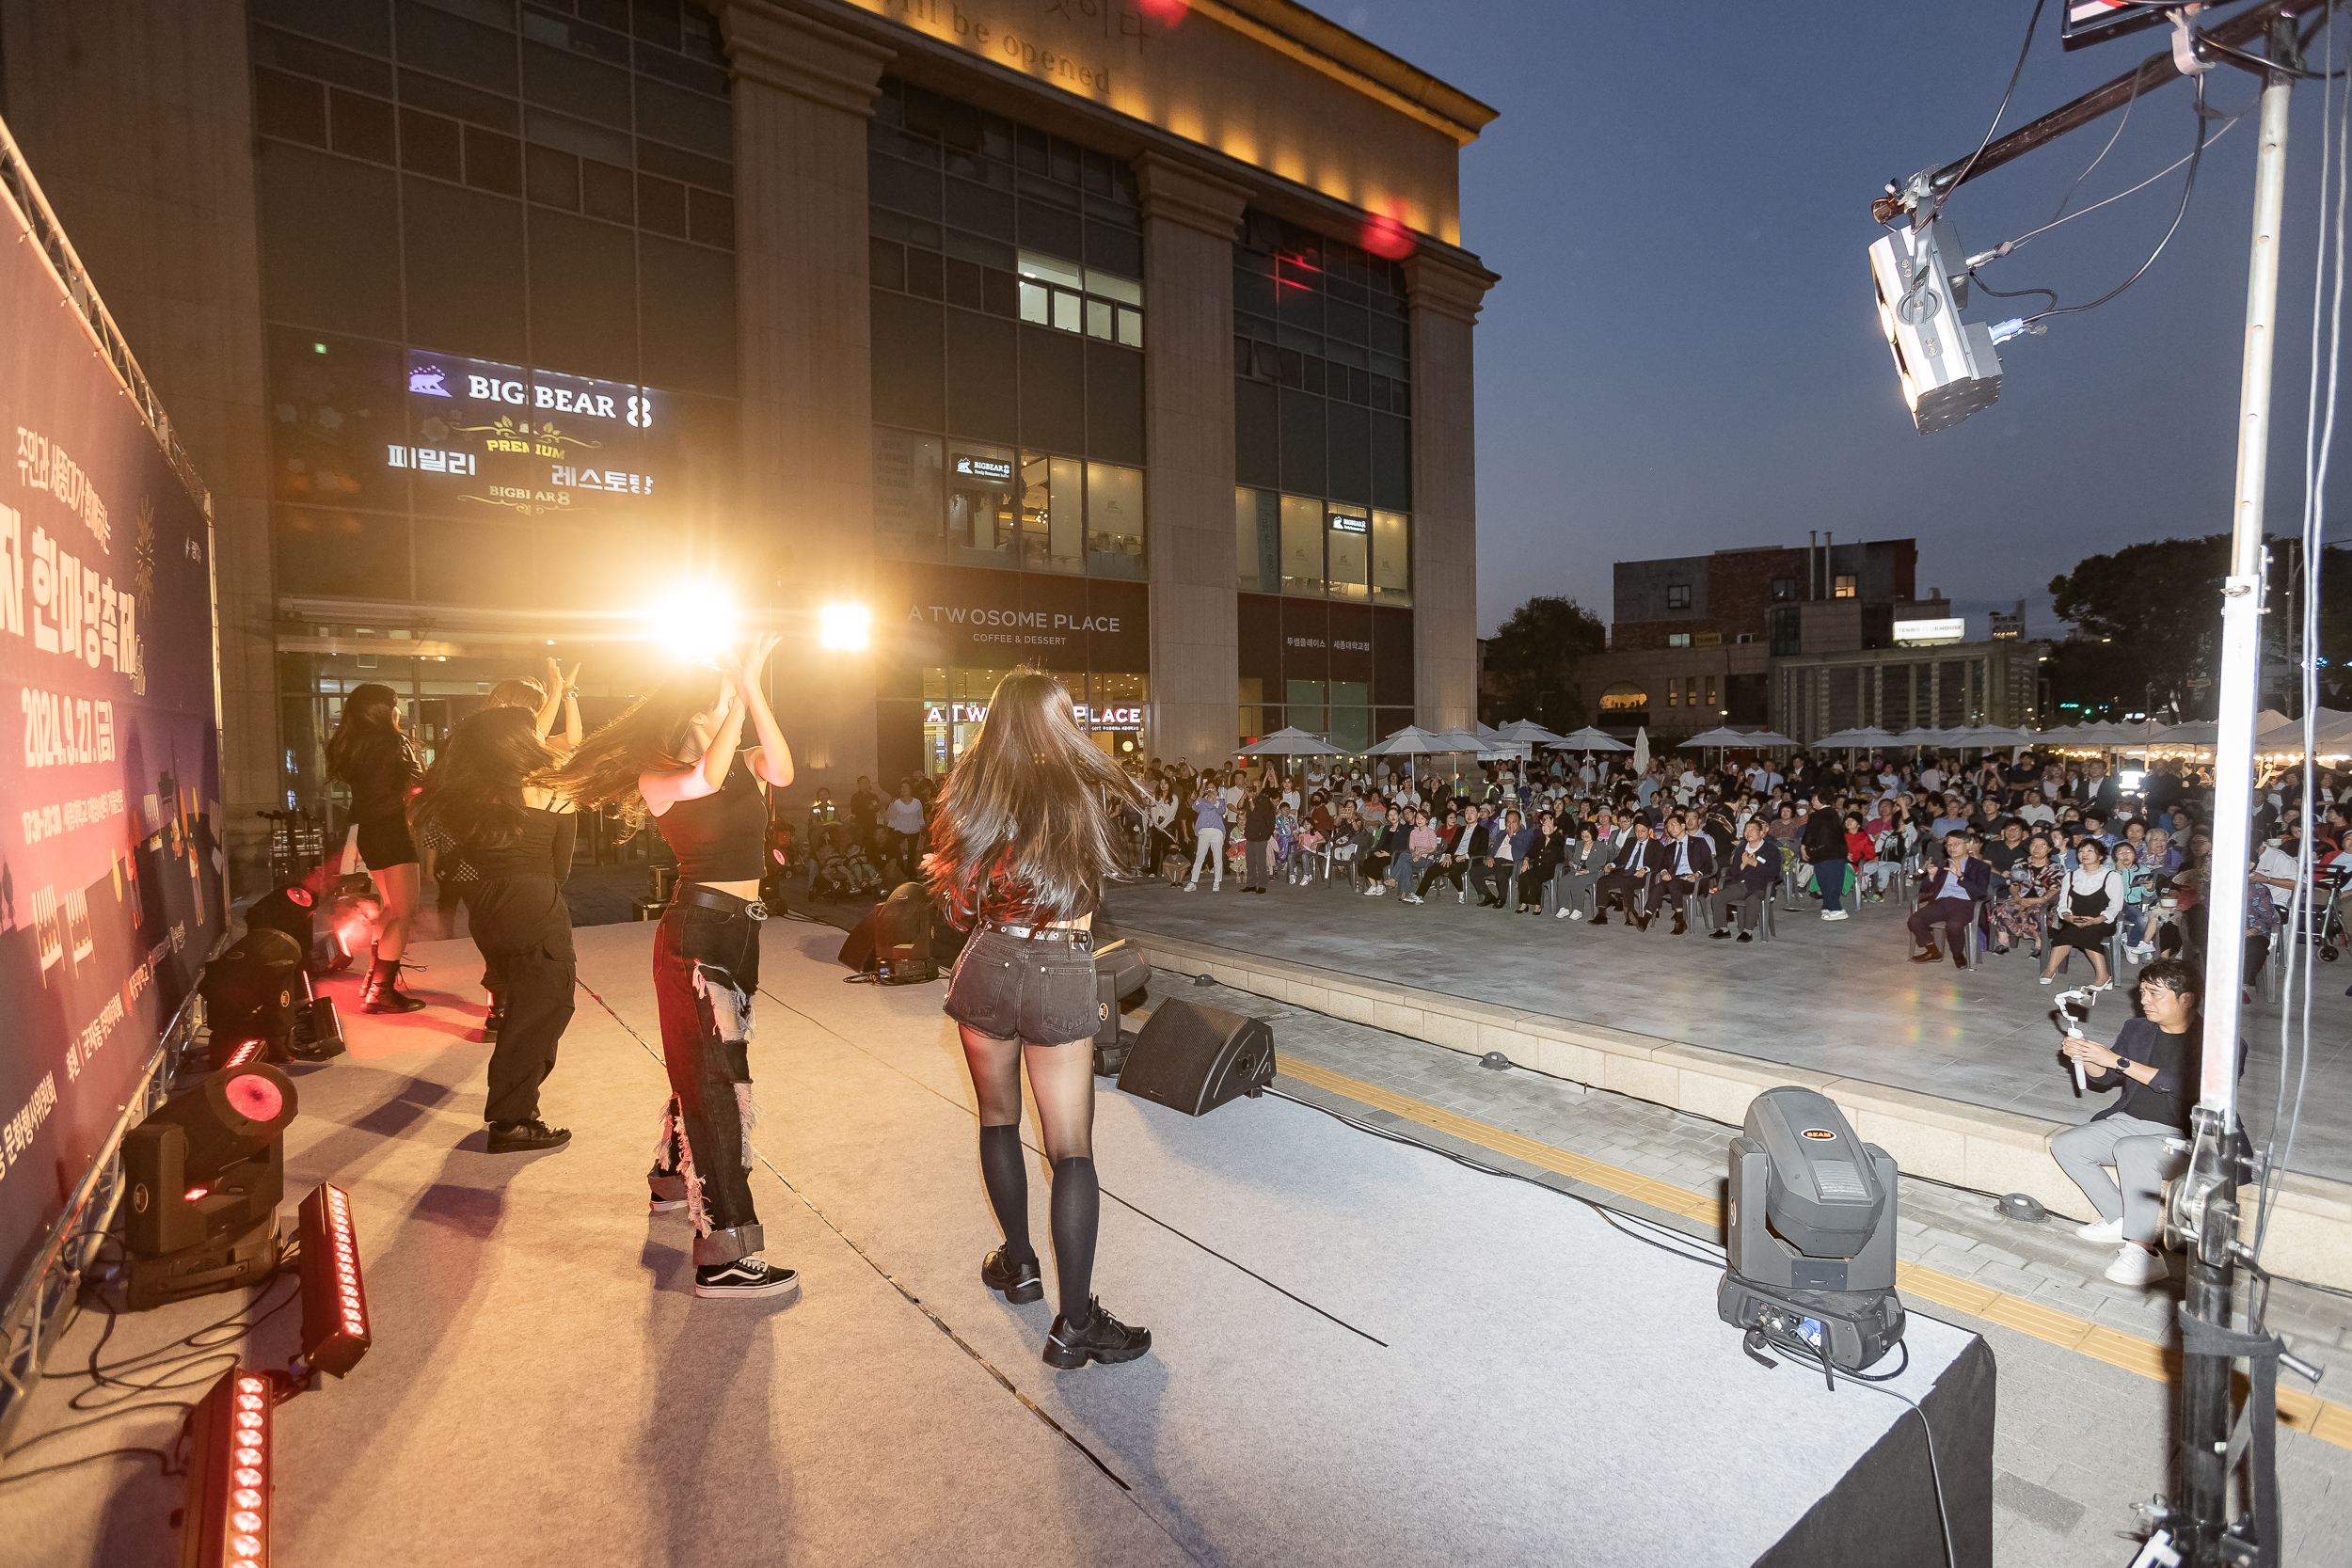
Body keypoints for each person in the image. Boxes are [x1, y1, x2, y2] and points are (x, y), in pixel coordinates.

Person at [540, 636, 800, 1300]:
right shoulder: (659, 777)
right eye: (717, 702)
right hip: (699, 933)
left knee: (704, 1065)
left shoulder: (741, 760)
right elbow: (706, 779)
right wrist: (737, 690)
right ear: (691, 716)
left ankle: (669, 1180)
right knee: (716, 1082)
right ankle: (725, 1252)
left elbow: (785, 768)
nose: (729, 709)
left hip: (741, 931)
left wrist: (754, 686)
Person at [926, 669, 1152, 1370]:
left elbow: (956, 903)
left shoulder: (971, 791)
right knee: (1071, 1150)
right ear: (1058, 721)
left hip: (988, 959)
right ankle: (1074, 1323)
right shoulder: (1078, 793)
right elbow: (1110, 871)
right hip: (1058, 965)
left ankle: (1019, 1265)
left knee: (997, 1120)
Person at [415, 706, 577, 1152]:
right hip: (534, 903)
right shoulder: (549, 789)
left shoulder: (461, 796)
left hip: (486, 908)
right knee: (545, 1008)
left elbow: (454, 859)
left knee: (525, 1010)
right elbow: (561, 866)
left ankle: (514, 1112)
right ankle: (512, 1120)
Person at [2053, 958, 2216, 1286]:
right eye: (2143, 992)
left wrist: (2118, 1060)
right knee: (2067, 1145)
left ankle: (2145, 1253)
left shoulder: (2217, 1042)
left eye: (2155, 994)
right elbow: (2106, 1079)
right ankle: (2122, 1218)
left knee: (2132, 1151)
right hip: (2129, 1120)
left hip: (2184, 1134)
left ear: (2187, 999)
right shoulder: (2137, 1028)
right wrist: (2087, 1057)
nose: (2144, 1001)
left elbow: (2183, 1085)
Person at [326, 683, 428, 1014]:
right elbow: (417, 782)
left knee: (389, 908)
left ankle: (374, 981)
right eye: (395, 703)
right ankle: (381, 991)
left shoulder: (352, 744)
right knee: (404, 912)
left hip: (369, 831)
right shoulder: (394, 742)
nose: (399, 709)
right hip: (392, 830)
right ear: (384, 709)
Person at [2040, 837, 2122, 989]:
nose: (2084, 854)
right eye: (2081, 851)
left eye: (2090, 851)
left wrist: (2096, 920)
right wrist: (2067, 917)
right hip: (2075, 920)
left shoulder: (2112, 877)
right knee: (2065, 933)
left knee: (2087, 932)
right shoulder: (2070, 877)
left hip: (2102, 921)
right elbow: (2063, 905)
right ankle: (2050, 969)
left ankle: (2103, 976)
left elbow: (2116, 906)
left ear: (2101, 856)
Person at [1907, 832, 1990, 969]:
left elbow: (1981, 893)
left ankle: (1958, 954)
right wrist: (1931, 877)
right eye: (1949, 844)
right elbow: (1925, 890)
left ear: (1967, 845)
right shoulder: (1942, 864)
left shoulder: (1980, 866)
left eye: (1956, 844)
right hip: (1941, 902)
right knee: (1914, 919)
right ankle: (1933, 951)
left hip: (1965, 903)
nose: (1951, 848)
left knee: (1954, 925)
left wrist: (1962, 877)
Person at [1708, 817, 1780, 942]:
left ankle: (1748, 931)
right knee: (1718, 896)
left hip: (1761, 885)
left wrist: (1755, 864)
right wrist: (1743, 865)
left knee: (1753, 899)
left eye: (1753, 830)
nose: (1749, 832)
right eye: (1746, 830)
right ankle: (1722, 929)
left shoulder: (1771, 850)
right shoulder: (1741, 849)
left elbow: (1774, 872)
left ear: (1761, 833)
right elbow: (1734, 872)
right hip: (1741, 885)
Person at [1989, 833, 2061, 958]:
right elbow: (2013, 885)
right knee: (2004, 908)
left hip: (2043, 901)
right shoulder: (2020, 864)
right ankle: (2003, 944)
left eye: (2042, 845)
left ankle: (2039, 947)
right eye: (2033, 844)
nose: (2037, 848)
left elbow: (2055, 889)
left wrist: (2039, 899)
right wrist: (2017, 898)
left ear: (2049, 849)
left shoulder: (2056, 867)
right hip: (2020, 899)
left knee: (2036, 910)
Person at [1592, 818, 1666, 929]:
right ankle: (1601, 915)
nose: (1639, 834)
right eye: (1637, 831)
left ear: (1650, 831)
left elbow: (1658, 863)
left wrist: (1645, 869)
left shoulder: (1656, 845)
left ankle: (1630, 913)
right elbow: (1620, 859)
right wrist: (1611, 865)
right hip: (1625, 872)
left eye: (1642, 831)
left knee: (1626, 882)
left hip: (1641, 876)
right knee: (1603, 881)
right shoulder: (1630, 841)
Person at [1800, 791, 1850, 921]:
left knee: (1828, 881)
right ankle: (1828, 906)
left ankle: (1836, 909)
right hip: (1835, 853)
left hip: (1826, 853)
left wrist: (1804, 847)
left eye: (1815, 799)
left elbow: (1810, 833)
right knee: (1831, 880)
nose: (1812, 802)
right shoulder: (1833, 813)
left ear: (1823, 800)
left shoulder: (1818, 815)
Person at [1183, 780, 1227, 893]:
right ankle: (1193, 882)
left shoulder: (1221, 801)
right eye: (1209, 788)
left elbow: (1221, 811)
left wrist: (1215, 799)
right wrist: (1200, 795)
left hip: (1216, 831)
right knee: (1199, 857)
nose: (1210, 790)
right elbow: (1195, 808)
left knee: (1217, 858)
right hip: (1203, 832)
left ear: (1217, 791)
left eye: (1213, 788)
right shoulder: (1202, 802)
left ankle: (1217, 881)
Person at [882, 780, 928, 881]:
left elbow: (920, 816)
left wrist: (922, 826)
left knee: (912, 853)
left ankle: (912, 875)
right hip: (900, 829)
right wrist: (891, 827)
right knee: (893, 846)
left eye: (906, 787)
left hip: (914, 830)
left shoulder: (917, 802)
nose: (904, 789)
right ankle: (901, 867)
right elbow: (893, 817)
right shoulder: (897, 803)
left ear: (910, 789)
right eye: (902, 787)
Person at [1241, 784, 1276, 895]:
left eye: (1256, 786)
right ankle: (1251, 884)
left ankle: (1262, 884)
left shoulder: (1264, 800)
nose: (1254, 788)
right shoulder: (1249, 798)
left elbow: (1256, 813)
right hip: (1250, 833)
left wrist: (1250, 798)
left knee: (1260, 861)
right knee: (1250, 860)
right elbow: (1239, 806)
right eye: (1253, 786)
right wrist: (1244, 795)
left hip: (1261, 834)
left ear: (1261, 787)